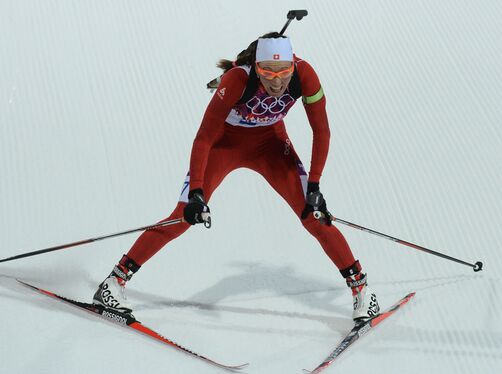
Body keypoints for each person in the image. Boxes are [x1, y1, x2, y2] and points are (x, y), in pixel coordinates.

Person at [92, 32, 380, 321]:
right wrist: (196, 194)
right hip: (223, 145)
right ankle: (113, 283)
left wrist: (315, 185)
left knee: (314, 215)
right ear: (256, 67)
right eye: (268, 72)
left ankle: (362, 292)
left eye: (284, 72)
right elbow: (203, 138)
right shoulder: (237, 80)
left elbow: (322, 131)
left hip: (270, 146)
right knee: (181, 217)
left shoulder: (306, 75)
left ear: (293, 64)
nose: (277, 81)